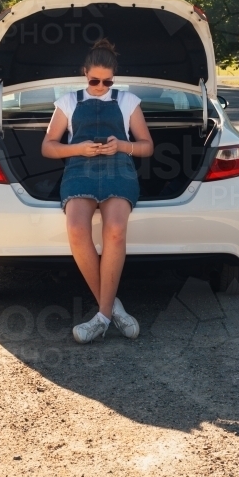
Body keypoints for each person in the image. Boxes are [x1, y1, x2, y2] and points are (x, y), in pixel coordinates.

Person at [41, 38, 153, 344]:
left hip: (119, 169)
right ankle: (112, 308)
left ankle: (100, 318)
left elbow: (146, 146)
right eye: (95, 80)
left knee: (115, 229)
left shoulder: (128, 101)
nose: (101, 86)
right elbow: (48, 147)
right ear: (84, 73)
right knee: (77, 229)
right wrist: (78, 148)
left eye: (107, 81)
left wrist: (123, 145)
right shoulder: (68, 102)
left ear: (114, 78)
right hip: (79, 169)